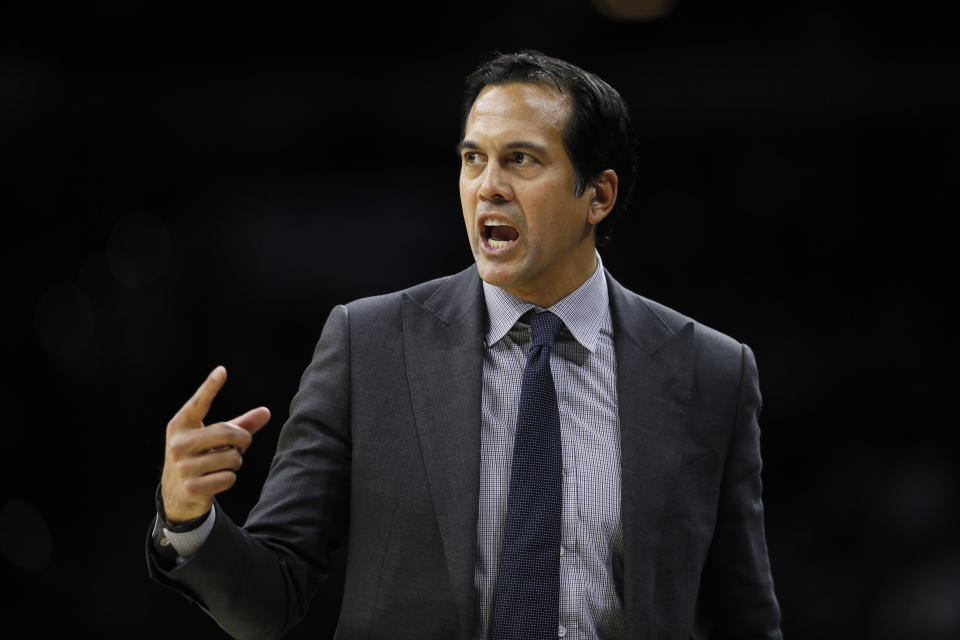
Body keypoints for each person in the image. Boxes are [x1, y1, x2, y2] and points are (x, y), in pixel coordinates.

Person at [147, 51, 782, 639]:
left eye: (522, 160)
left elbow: (743, 619)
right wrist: (189, 518)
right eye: (473, 158)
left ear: (599, 196)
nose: (488, 186)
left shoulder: (711, 371)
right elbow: (269, 599)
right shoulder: (368, 346)